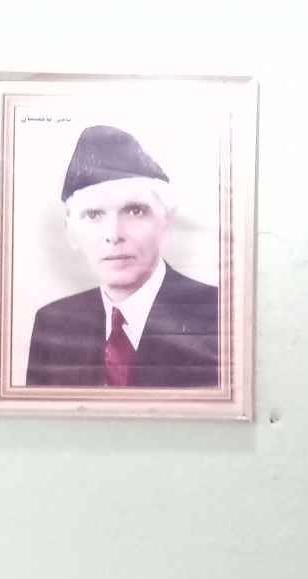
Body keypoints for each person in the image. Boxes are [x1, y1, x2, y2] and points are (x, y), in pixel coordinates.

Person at [26, 126, 219, 390]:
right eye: (94, 215)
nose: (114, 235)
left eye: (135, 211)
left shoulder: (217, 313)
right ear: (71, 233)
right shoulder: (53, 324)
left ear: (166, 223)